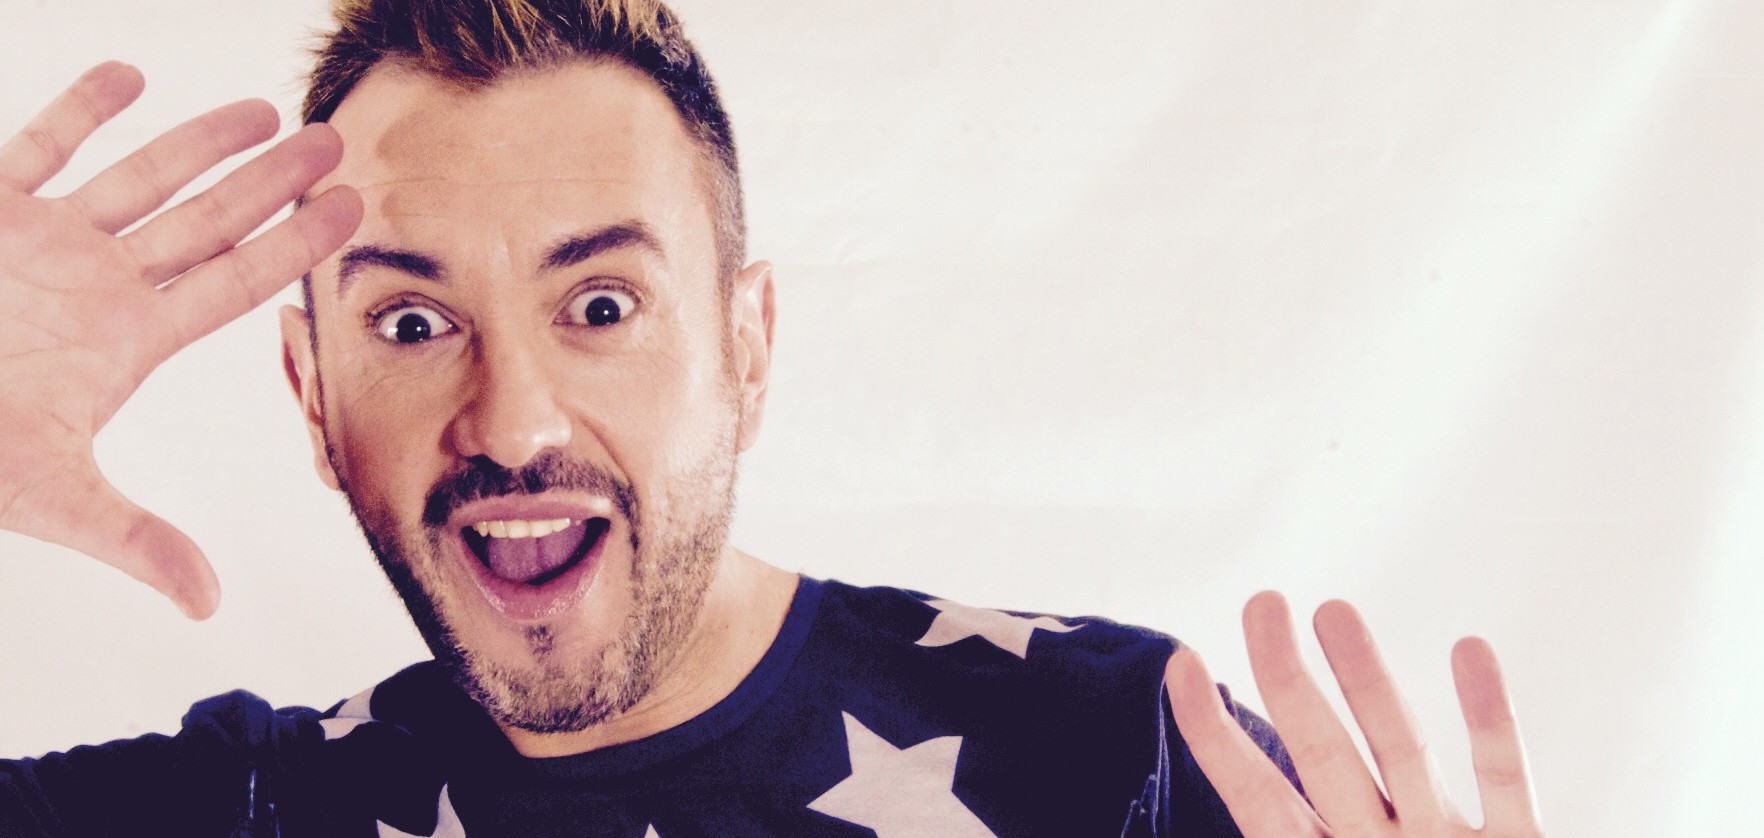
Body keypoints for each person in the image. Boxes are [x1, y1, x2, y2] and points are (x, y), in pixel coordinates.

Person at [0, 1, 1545, 836]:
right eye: (412, 321)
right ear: (310, 388)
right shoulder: (252, 809)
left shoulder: (1123, 756)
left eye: (601, 303)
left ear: (747, 348)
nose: (511, 417)